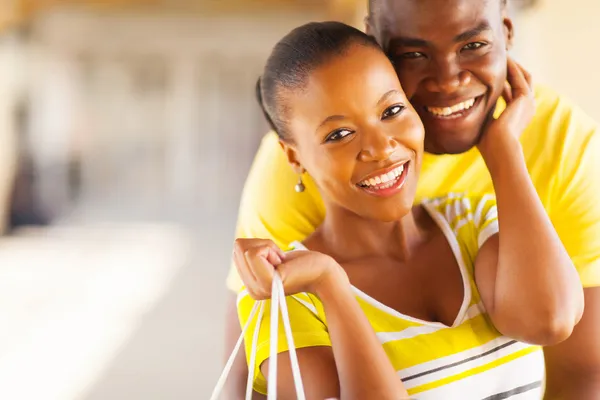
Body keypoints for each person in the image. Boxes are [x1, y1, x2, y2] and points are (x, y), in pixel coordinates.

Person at [225, 0, 600, 398]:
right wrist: (331, 285)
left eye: (391, 111)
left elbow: (554, 328)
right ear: (294, 157)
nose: (381, 148)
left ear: (506, 31)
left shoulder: (473, 222)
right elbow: (247, 378)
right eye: (338, 135)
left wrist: (503, 151)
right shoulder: (291, 289)